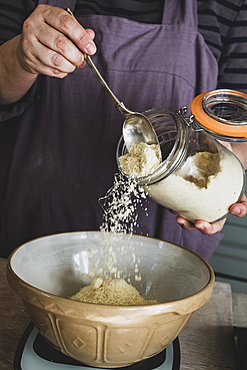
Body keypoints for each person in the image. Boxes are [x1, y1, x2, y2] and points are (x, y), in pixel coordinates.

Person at [0, 0, 247, 260]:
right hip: (33, 228)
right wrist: (19, 57)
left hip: (162, 251)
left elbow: (241, 127)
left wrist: (219, 175)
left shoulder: (230, 6)